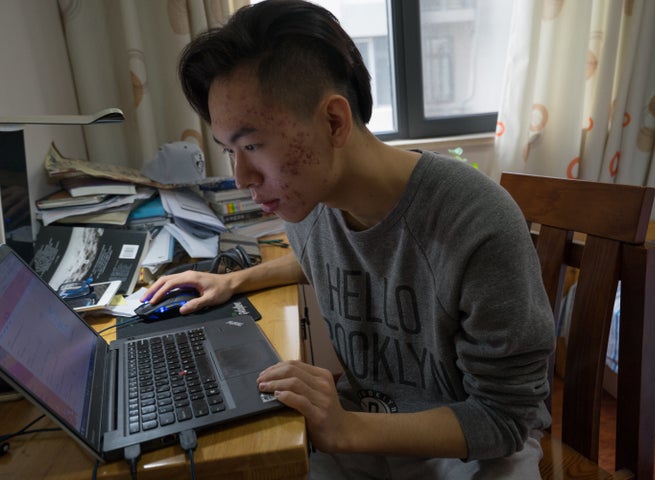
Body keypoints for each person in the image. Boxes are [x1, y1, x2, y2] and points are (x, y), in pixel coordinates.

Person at [143, 1, 555, 478]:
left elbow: (504, 419)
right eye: (230, 151)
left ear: (334, 122)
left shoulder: (475, 222)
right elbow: (326, 259)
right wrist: (235, 282)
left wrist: (344, 430)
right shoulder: (308, 206)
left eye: (253, 145)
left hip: (470, 447)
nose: (241, 177)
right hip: (367, 422)